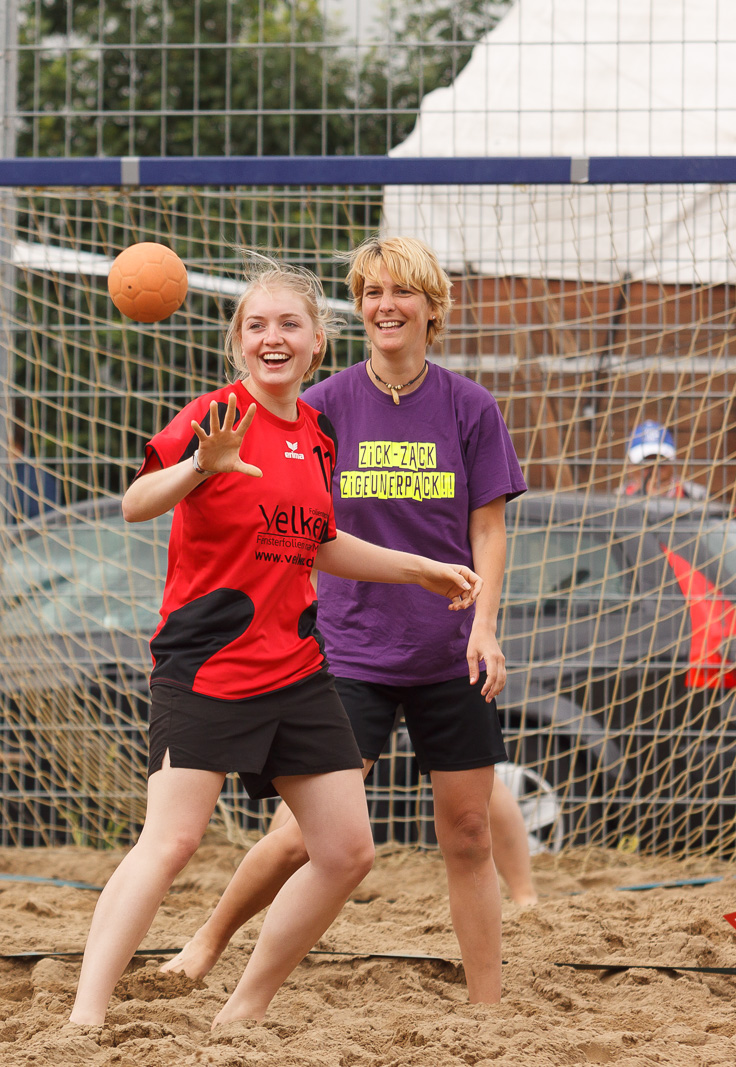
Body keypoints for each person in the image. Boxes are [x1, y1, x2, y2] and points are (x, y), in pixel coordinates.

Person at [69, 254, 483, 1029]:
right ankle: (85, 1017)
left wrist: (418, 568)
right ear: (238, 344)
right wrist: (200, 465)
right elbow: (133, 504)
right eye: (256, 325)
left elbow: (320, 541)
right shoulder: (215, 417)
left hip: (294, 666)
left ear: (317, 341)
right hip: (206, 661)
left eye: (288, 323)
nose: (273, 337)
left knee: (346, 851)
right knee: (173, 840)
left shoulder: (319, 434)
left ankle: (244, 1007)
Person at [159, 236, 537, 1006]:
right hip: (347, 649)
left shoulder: (471, 407)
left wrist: (484, 625)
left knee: (467, 832)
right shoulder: (323, 404)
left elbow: (489, 531)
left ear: (434, 308)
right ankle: (207, 939)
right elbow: (276, 518)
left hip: (447, 648)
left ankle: (488, 1007)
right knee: (303, 836)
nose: (385, 305)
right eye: (370, 293)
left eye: (401, 293)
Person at [620, 420, 709, 500]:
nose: (654, 473)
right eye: (645, 465)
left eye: (661, 464)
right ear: (630, 467)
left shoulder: (699, 498)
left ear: (673, 463)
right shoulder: (615, 500)